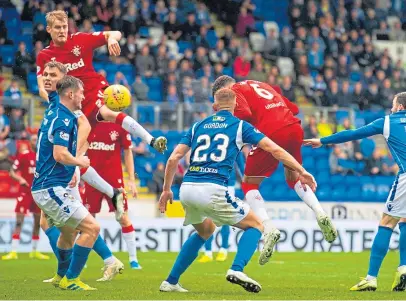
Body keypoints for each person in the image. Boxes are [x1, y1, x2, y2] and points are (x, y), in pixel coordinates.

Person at [158, 88, 317, 293]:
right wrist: (301, 170)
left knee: (205, 230)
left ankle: (170, 281)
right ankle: (237, 269)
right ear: (235, 106)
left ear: (214, 107)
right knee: (257, 226)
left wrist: (166, 190)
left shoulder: (198, 126)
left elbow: (173, 158)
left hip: (187, 189)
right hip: (212, 188)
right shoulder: (241, 126)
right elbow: (275, 150)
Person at [211, 76, 337, 265]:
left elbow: (243, 111)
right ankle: (320, 212)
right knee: (292, 176)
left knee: (249, 184)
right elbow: (293, 108)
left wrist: (239, 132)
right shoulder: (260, 84)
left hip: (271, 131)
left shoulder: (235, 90)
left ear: (224, 89)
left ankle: (269, 227)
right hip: (293, 127)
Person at [304, 92, 406, 292]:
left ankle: (371, 278)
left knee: (386, 222)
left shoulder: (387, 122)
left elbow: (353, 134)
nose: (392, 108)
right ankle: (403, 267)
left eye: (394, 105)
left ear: (400, 107)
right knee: (404, 220)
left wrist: (322, 141)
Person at [39, 61, 125, 284]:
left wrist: (74, 162)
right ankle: (69, 274)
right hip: (54, 176)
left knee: (80, 226)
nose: (47, 78)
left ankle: (85, 268)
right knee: (63, 227)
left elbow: (85, 126)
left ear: (64, 81)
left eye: (53, 75)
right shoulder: (54, 101)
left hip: (63, 174)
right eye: (45, 74)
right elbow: (45, 88)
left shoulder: (68, 109)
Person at [36, 10, 167, 156]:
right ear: (49, 29)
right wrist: (54, 102)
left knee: (109, 113)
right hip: (72, 104)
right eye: (57, 27)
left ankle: (152, 140)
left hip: (93, 90)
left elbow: (116, 33)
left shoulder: (80, 40)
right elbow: (42, 87)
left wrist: (111, 39)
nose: (62, 31)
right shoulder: (44, 56)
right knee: (77, 155)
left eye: (64, 27)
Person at [31, 75, 107, 291]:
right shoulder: (63, 118)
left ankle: (60, 276)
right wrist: (79, 161)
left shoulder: (57, 108)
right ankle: (71, 279)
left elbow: (49, 90)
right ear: (71, 94)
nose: (83, 97)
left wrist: (44, 79)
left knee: (68, 233)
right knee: (92, 228)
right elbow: (59, 154)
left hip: (47, 186)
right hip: (50, 187)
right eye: (81, 92)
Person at [83, 121, 141, 269]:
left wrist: (132, 180)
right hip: (91, 179)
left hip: (114, 179)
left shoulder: (120, 125)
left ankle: (134, 259)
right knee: (87, 221)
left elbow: (128, 152)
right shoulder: (88, 123)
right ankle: (82, 259)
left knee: (123, 217)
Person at [2, 135, 49, 261]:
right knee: (19, 221)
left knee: (38, 223)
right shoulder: (24, 155)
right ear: (29, 142)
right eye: (34, 139)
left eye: (38, 139)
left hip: (38, 194)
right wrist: (21, 179)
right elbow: (12, 171)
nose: (36, 142)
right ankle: (13, 251)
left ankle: (34, 251)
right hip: (25, 193)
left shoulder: (44, 156)